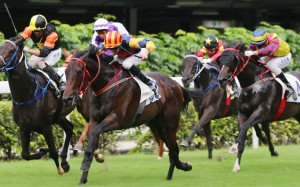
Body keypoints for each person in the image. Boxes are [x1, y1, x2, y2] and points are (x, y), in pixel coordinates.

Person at [94, 30, 160, 101]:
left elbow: (148, 42)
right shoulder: (109, 43)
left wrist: (146, 51)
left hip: (136, 53)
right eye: (110, 48)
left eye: (114, 48)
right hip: (124, 55)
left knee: (126, 64)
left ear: (119, 44)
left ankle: (149, 82)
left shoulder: (131, 42)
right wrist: (97, 51)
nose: (113, 51)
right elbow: (98, 49)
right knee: (111, 65)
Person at [20, 14, 66, 94]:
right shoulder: (30, 29)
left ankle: (60, 82)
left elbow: (43, 53)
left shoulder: (52, 34)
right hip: (42, 51)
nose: (36, 33)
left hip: (54, 52)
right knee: (29, 65)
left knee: (41, 64)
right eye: (34, 31)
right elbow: (19, 39)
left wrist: (27, 49)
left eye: (38, 31)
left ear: (44, 29)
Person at [245, 29, 296, 99]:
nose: (258, 47)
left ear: (266, 40)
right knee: (258, 62)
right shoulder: (256, 41)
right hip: (272, 56)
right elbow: (250, 48)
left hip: (284, 56)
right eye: (256, 45)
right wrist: (247, 52)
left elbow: (269, 50)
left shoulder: (274, 40)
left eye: (260, 45)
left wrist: (254, 52)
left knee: (271, 65)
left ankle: (289, 87)